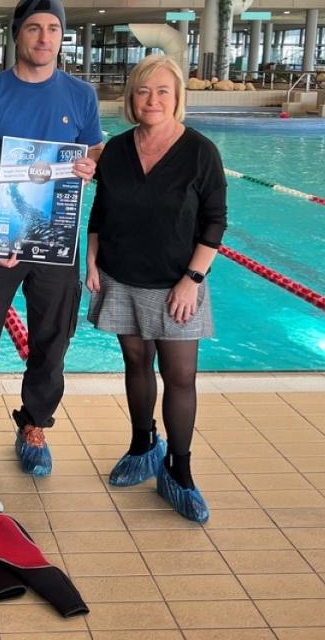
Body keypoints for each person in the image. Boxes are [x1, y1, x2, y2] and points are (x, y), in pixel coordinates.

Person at [0, 0, 102, 479]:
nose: (44, 37)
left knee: (53, 338)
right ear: (17, 32)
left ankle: (34, 423)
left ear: (62, 37)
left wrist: (88, 165)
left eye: (53, 29)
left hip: (57, 242)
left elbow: (98, 155)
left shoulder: (81, 96)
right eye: (34, 27)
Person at [85, 54, 226, 524]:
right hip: (121, 275)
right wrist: (91, 259)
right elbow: (101, 211)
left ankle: (179, 469)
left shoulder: (200, 151)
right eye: (144, 91)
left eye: (163, 91)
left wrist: (192, 280)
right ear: (131, 98)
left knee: (181, 376)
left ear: (177, 98)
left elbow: (215, 222)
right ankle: (143, 444)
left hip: (175, 284)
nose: (153, 100)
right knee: (135, 361)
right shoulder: (117, 150)